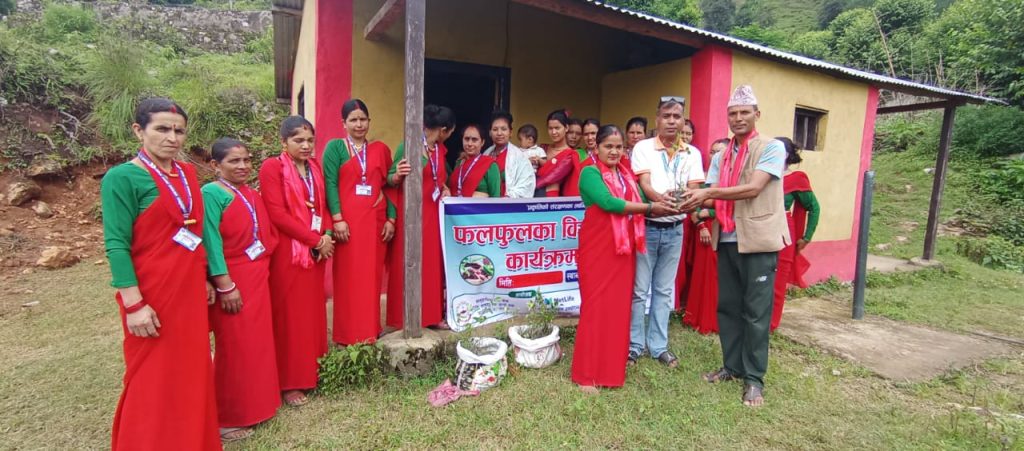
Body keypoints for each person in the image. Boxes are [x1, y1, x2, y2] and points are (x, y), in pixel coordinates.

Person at [101, 97, 220, 450]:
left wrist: (203, 277)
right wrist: (134, 303)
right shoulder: (121, 178)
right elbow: (116, 245)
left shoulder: (186, 174)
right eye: (162, 129)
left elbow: (194, 232)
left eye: (179, 131)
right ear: (139, 130)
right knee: (152, 374)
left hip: (188, 291)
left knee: (192, 369)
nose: (172, 138)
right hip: (151, 292)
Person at [682, 85, 790, 408]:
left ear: (757, 114)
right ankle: (732, 366)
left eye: (745, 112)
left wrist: (705, 196)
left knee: (756, 311)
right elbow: (712, 192)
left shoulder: (772, 148)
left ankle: (754, 379)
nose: (738, 118)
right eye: (733, 113)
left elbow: (754, 188)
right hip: (726, 237)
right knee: (727, 306)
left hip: (758, 239)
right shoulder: (721, 155)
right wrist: (692, 206)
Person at [571, 125, 677, 393]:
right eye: (609, 146)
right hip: (598, 249)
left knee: (618, 307)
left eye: (619, 147)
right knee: (595, 307)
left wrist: (663, 201)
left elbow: (641, 198)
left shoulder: (626, 175)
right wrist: (652, 207)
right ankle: (586, 374)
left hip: (623, 250)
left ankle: (610, 369)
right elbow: (609, 204)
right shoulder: (589, 172)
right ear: (597, 148)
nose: (615, 151)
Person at [202, 138, 281, 442]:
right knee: (233, 346)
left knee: (256, 343)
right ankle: (227, 415)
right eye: (234, 161)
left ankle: (258, 405)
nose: (243, 166)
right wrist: (224, 284)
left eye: (247, 160)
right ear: (215, 165)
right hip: (234, 278)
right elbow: (210, 240)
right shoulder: (212, 194)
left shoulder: (249, 192)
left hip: (257, 273)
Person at [258, 115, 334, 407]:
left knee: (312, 313)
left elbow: (324, 206)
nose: (305, 146)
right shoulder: (272, 168)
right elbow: (277, 214)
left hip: (315, 252)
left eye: (310, 140)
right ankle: (290, 381)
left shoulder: (314, 167)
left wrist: (326, 234)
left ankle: (313, 370)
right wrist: (315, 240)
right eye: (298, 140)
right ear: (283, 142)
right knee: (291, 316)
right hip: (290, 254)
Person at [629, 96, 704, 368]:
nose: (672, 121)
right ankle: (635, 345)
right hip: (648, 226)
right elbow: (645, 184)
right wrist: (661, 200)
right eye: (666, 116)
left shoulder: (692, 153)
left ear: (683, 120)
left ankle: (658, 346)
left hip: (675, 229)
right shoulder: (643, 148)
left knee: (663, 290)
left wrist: (681, 200)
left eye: (677, 116)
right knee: (639, 290)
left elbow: (695, 186)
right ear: (657, 119)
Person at [322, 99, 397, 345]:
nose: (359, 124)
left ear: (369, 121)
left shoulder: (380, 149)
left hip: (374, 224)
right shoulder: (335, 149)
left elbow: (389, 186)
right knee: (348, 278)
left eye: (363, 119)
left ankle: (370, 329)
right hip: (347, 226)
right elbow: (330, 184)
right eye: (353, 120)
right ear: (343, 123)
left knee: (371, 278)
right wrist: (337, 219)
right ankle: (346, 334)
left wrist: (391, 218)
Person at [387, 104, 451, 329]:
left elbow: (440, 178)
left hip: (433, 213)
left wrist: (444, 187)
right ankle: (401, 316)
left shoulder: (440, 151)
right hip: (411, 214)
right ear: (444, 130)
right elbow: (388, 178)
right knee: (408, 262)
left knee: (432, 265)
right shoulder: (408, 146)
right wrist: (396, 175)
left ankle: (432, 316)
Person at [771, 137, 820, 331]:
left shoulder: (796, 178)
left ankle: (771, 323)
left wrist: (807, 236)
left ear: (788, 155)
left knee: (778, 279)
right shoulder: (761, 175)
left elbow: (814, 207)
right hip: (761, 227)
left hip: (784, 230)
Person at [683, 138, 729, 335]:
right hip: (702, 230)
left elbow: (731, 206)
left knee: (719, 277)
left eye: (720, 152)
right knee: (702, 275)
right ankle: (697, 316)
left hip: (723, 229)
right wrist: (700, 223)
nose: (715, 156)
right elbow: (690, 205)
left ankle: (715, 319)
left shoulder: (730, 181)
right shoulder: (698, 178)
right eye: (712, 152)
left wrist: (709, 213)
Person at [483, 111, 535, 198]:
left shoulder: (519, 157)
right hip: (486, 204)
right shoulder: (486, 154)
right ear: (490, 133)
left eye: (503, 129)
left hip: (507, 206)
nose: (499, 133)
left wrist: (507, 198)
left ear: (510, 132)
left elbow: (526, 186)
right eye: (495, 129)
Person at [535, 109, 581, 197]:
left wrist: (531, 185)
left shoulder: (570, 155)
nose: (553, 132)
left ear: (566, 128)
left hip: (552, 199)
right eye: (550, 128)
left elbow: (552, 177)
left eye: (557, 128)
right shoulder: (542, 149)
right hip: (532, 195)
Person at [451, 124, 501, 197]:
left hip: (480, 208)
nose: (469, 144)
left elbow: (495, 198)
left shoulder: (490, 165)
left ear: (482, 142)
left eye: (474, 140)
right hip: (457, 207)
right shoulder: (459, 163)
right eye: (466, 139)